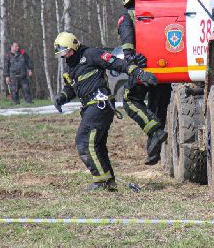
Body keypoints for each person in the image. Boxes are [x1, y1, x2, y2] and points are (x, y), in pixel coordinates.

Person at [52, 31, 157, 192]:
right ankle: (108, 181)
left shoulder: (91, 54)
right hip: (89, 107)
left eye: (66, 51)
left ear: (73, 46)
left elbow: (116, 63)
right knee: (97, 145)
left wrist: (139, 72)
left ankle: (101, 182)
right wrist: (62, 97)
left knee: (84, 142)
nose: (65, 56)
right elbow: (71, 89)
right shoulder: (70, 67)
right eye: (62, 54)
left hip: (99, 104)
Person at [119, 0, 171, 166]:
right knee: (157, 108)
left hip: (143, 69)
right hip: (165, 69)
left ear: (126, 2)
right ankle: (153, 151)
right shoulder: (159, 12)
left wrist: (131, 60)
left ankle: (155, 133)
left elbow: (127, 45)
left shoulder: (126, 18)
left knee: (130, 100)